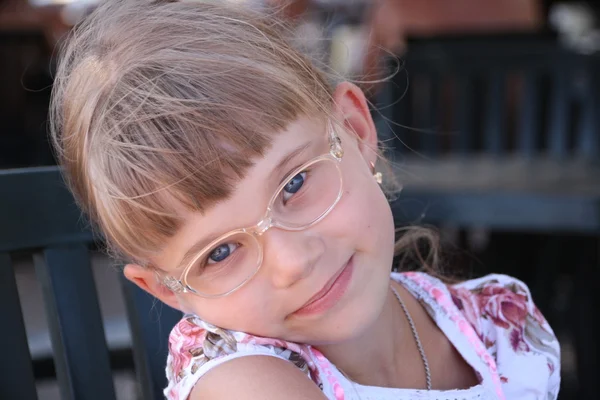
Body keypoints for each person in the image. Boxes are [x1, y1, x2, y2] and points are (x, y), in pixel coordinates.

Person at [49, 1, 560, 399]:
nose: (292, 262)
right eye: (220, 253)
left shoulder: (490, 325)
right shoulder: (242, 381)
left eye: (293, 184)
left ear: (357, 132)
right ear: (167, 291)